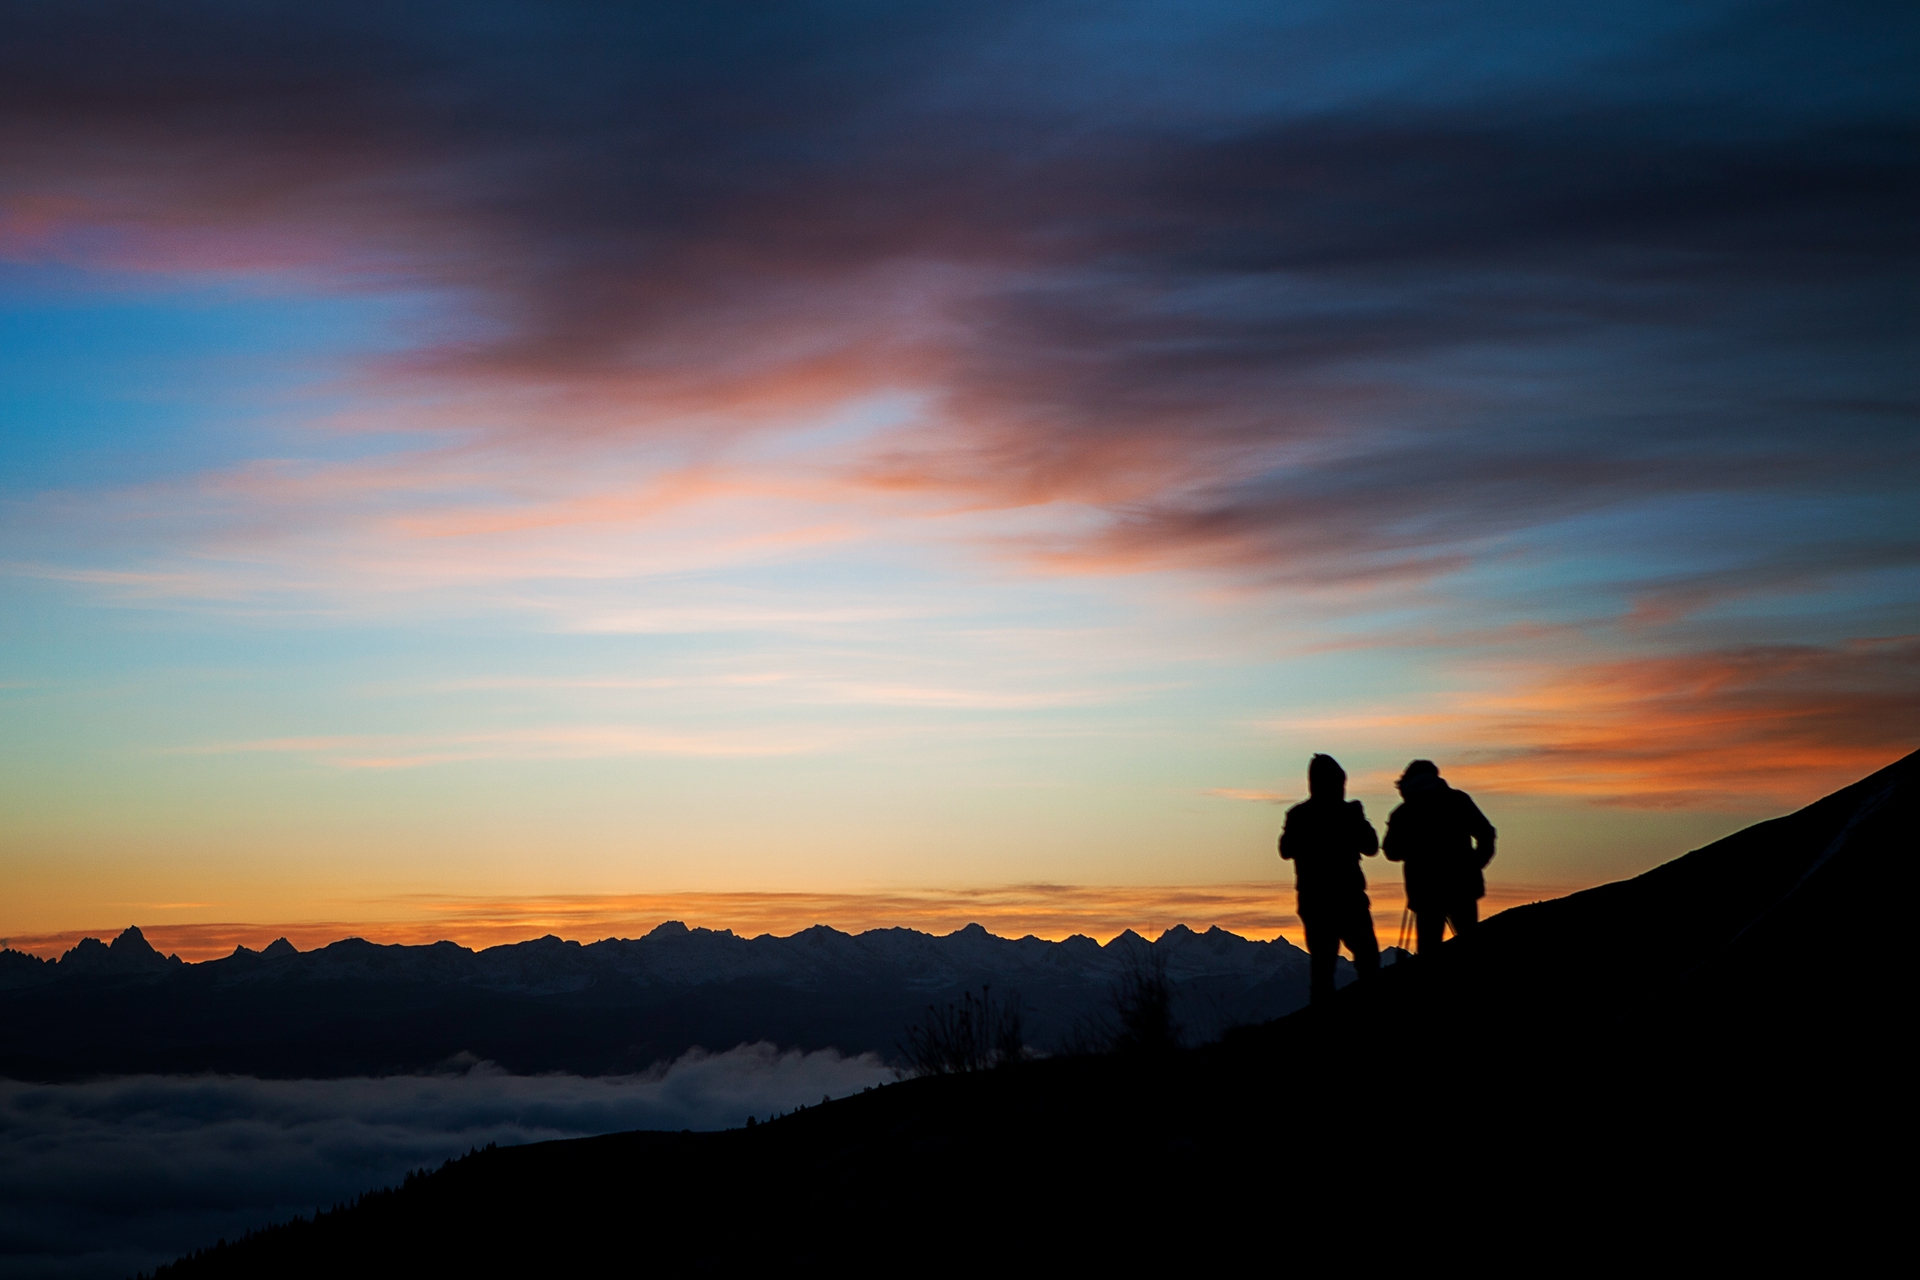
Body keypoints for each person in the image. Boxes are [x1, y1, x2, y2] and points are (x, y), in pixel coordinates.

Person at [1278, 754, 1381, 1005]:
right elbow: (1371, 846)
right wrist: (1357, 819)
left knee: (1324, 970)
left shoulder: (1299, 815)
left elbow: (1285, 849)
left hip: (1318, 904)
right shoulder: (1345, 813)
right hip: (1346, 901)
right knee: (1366, 961)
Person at [1383, 760, 1496, 955]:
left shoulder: (1404, 812)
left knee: (1429, 953)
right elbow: (1486, 834)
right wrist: (1474, 865)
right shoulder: (1458, 801)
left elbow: (1391, 851)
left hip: (1425, 892)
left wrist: (1412, 850)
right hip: (1462, 887)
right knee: (1472, 949)